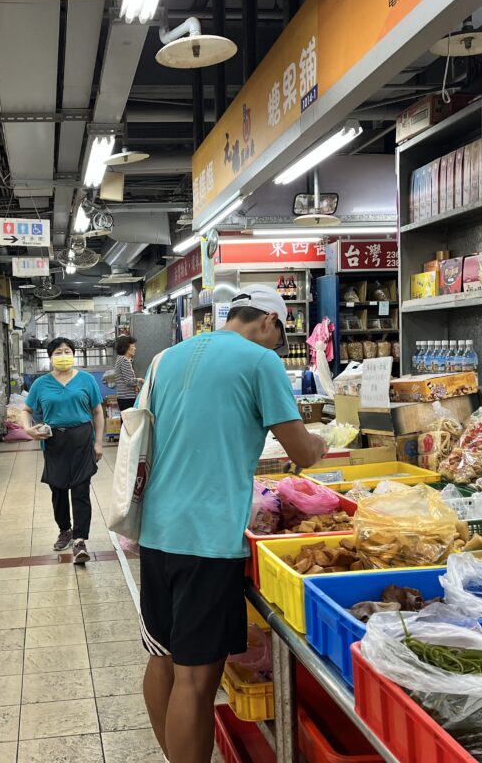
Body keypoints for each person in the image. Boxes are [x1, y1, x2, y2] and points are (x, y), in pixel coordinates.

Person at [137, 284, 328, 763]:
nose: (276, 347)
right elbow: (302, 451)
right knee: (196, 680)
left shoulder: (166, 358)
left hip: (156, 530)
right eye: (280, 338)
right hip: (208, 537)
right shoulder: (260, 361)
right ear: (269, 320)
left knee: (162, 659)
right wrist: (320, 444)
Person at [22, 337, 105, 564]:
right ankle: (65, 530)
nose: (63, 355)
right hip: (54, 441)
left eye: (67, 351)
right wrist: (28, 429)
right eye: (58, 352)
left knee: (81, 490)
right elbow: (26, 409)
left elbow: (98, 412)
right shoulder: (41, 383)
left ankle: (80, 540)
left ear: (73, 354)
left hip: (82, 439)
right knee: (58, 490)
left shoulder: (87, 380)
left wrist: (98, 442)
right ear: (50, 357)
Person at [114, 335, 144, 412]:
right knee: (129, 419)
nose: (135, 348)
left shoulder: (121, 359)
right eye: (133, 346)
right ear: (126, 348)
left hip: (124, 398)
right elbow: (128, 381)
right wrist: (140, 380)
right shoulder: (124, 360)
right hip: (127, 398)